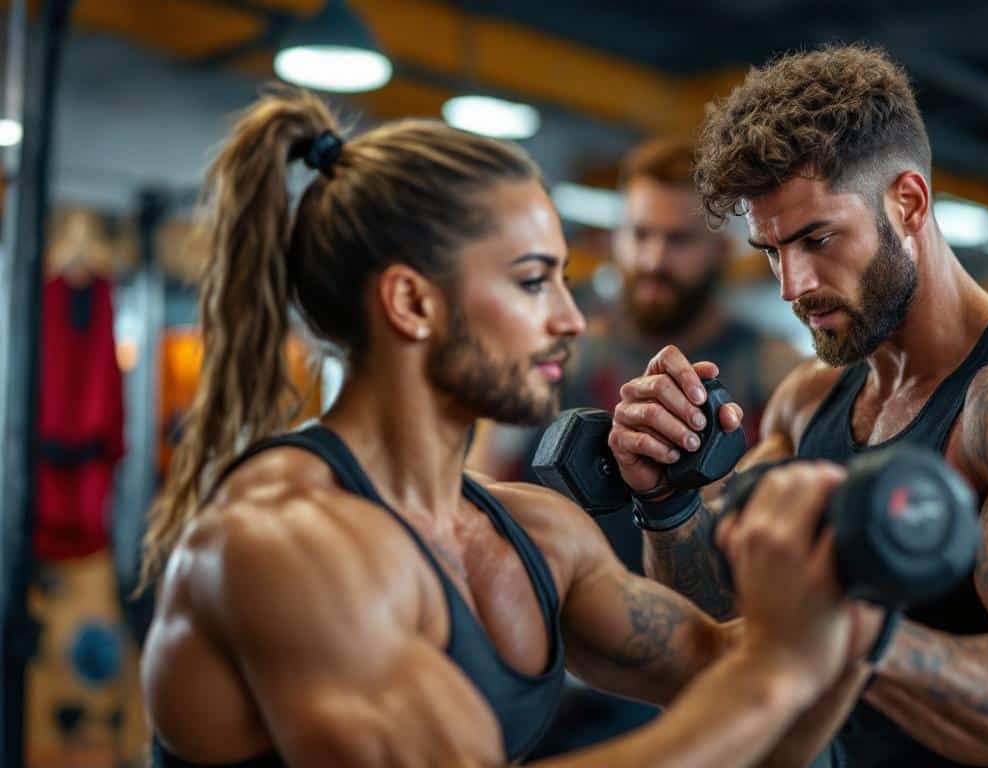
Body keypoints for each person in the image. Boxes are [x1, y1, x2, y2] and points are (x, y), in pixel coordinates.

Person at [136, 87, 875, 768]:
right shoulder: (280, 545)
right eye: (531, 281)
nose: (571, 318)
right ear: (412, 303)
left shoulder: (535, 534)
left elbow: (737, 688)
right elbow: (762, 690)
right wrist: (776, 677)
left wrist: (864, 595)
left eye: (561, 277)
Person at [607, 45, 988, 768]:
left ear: (908, 203)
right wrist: (668, 502)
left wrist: (851, 632)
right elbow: (720, 636)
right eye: (771, 251)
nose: (792, 285)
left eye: (816, 238)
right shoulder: (811, 399)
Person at [468, 136, 800, 583]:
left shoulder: (774, 373)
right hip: (547, 617)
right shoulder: (552, 350)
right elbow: (478, 479)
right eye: (641, 235)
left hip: (692, 623)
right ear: (617, 236)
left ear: (722, 251)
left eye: (679, 240)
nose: (653, 260)